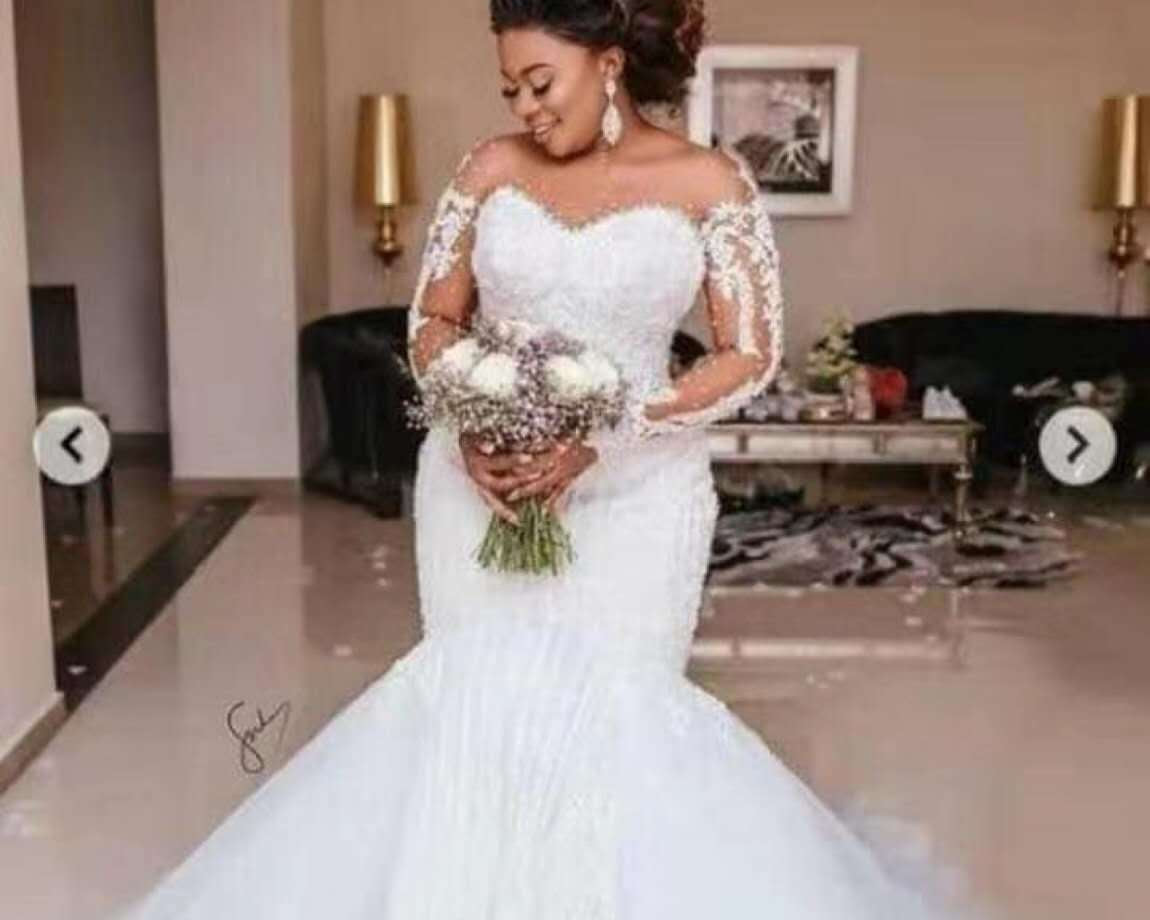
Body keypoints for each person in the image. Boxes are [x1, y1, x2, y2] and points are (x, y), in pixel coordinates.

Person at [120, 1, 977, 917]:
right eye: (510, 88)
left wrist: (602, 438)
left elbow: (748, 354)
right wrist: (475, 422)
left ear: (608, 64)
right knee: (473, 712)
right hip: (477, 488)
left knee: (620, 720)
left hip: (637, 495)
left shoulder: (709, 184)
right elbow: (432, 323)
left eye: (541, 83)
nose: (525, 108)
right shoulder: (487, 171)